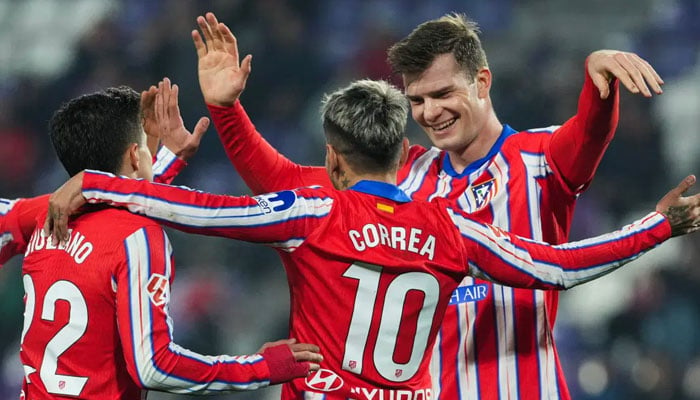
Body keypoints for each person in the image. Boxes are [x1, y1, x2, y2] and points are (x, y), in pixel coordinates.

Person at [44, 78, 700, 400]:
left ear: (332, 160)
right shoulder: (454, 232)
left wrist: (106, 186)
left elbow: (205, 211)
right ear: (406, 152)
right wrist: (658, 227)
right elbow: (559, 268)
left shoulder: (311, 214)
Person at [191, 12, 665, 399]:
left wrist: (598, 84)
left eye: (442, 94)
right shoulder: (401, 174)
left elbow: (588, 136)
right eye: (416, 100)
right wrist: (226, 109)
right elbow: (285, 182)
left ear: (482, 82)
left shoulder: (538, 159)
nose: (429, 113)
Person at [19, 84, 322, 399]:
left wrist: (171, 157)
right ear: (136, 156)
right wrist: (261, 367)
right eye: (149, 145)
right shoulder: (136, 237)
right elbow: (154, 366)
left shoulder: (48, 224)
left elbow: (114, 207)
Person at [0, 82, 204, 269]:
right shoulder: (38, 211)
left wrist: (166, 157)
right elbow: (115, 200)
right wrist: (91, 183)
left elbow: (106, 204)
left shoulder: (30, 213)